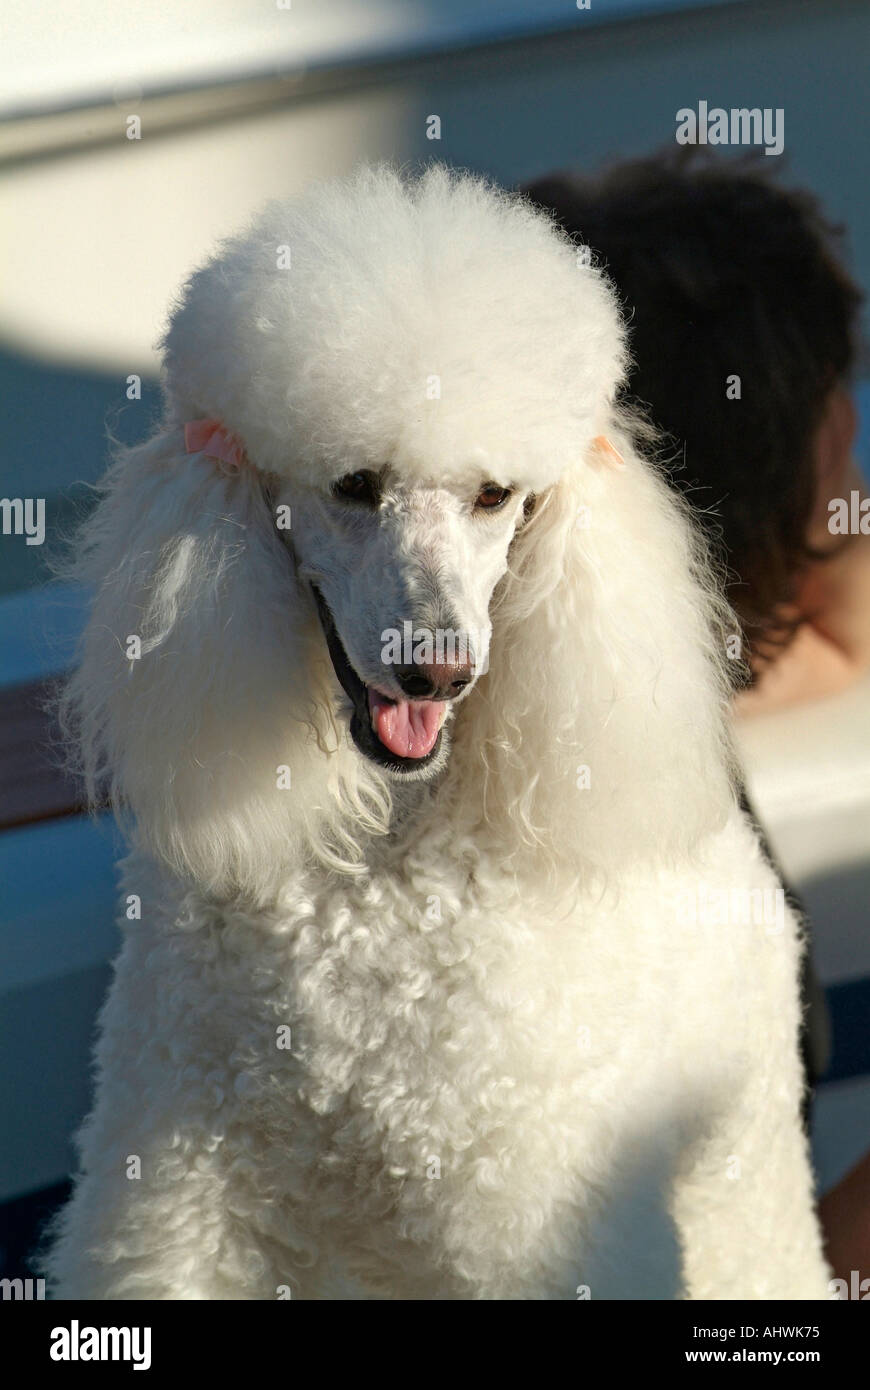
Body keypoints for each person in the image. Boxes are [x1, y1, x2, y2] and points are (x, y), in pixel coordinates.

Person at [522, 147, 868, 1287]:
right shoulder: (623, 887)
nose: (853, 428)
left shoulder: (552, 675)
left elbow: (830, 635)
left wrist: (766, 514)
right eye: (839, 397)